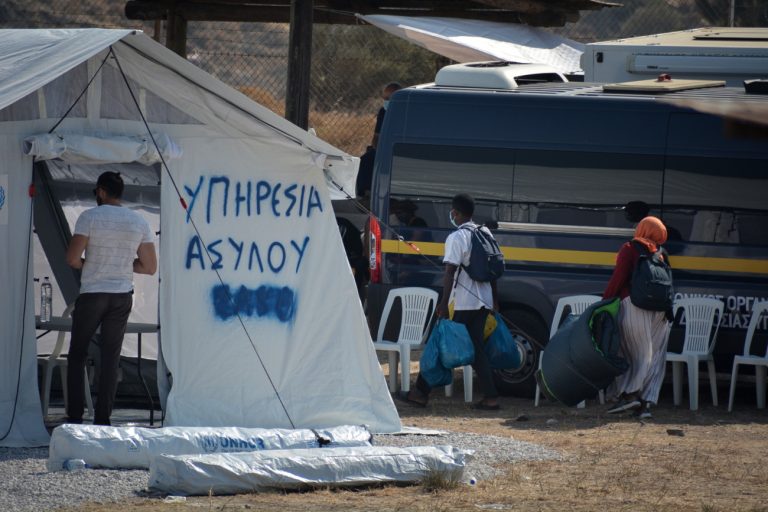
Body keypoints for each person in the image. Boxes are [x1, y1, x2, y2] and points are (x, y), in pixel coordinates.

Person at [64, 171, 157, 425]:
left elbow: (72, 259)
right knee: (111, 357)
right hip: (121, 296)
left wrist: (90, 264)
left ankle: (75, 416)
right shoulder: (139, 222)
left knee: (77, 354)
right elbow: (149, 267)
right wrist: (123, 264)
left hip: (93, 294)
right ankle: (103, 419)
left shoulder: (89, 217)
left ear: (102, 191)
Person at [398, 193, 501, 410]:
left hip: (464, 302)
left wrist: (444, 304)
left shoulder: (457, 237)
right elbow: (493, 270)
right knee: (477, 348)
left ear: (455, 213)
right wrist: (494, 299)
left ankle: (420, 393)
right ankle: (491, 397)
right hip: (483, 300)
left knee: (441, 342)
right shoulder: (485, 232)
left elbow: (450, 272)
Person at [603, 216, 672, 419]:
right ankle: (646, 404)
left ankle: (629, 395)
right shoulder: (661, 253)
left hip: (635, 306)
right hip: (661, 312)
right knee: (654, 356)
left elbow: (618, 278)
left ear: (641, 229)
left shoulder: (630, 248)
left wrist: (605, 301)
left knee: (633, 352)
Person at [371, 82, 401, 149]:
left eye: (388, 98)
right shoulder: (383, 112)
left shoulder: (406, 112)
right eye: (384, 98)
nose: (385, 101)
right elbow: (376, 137)